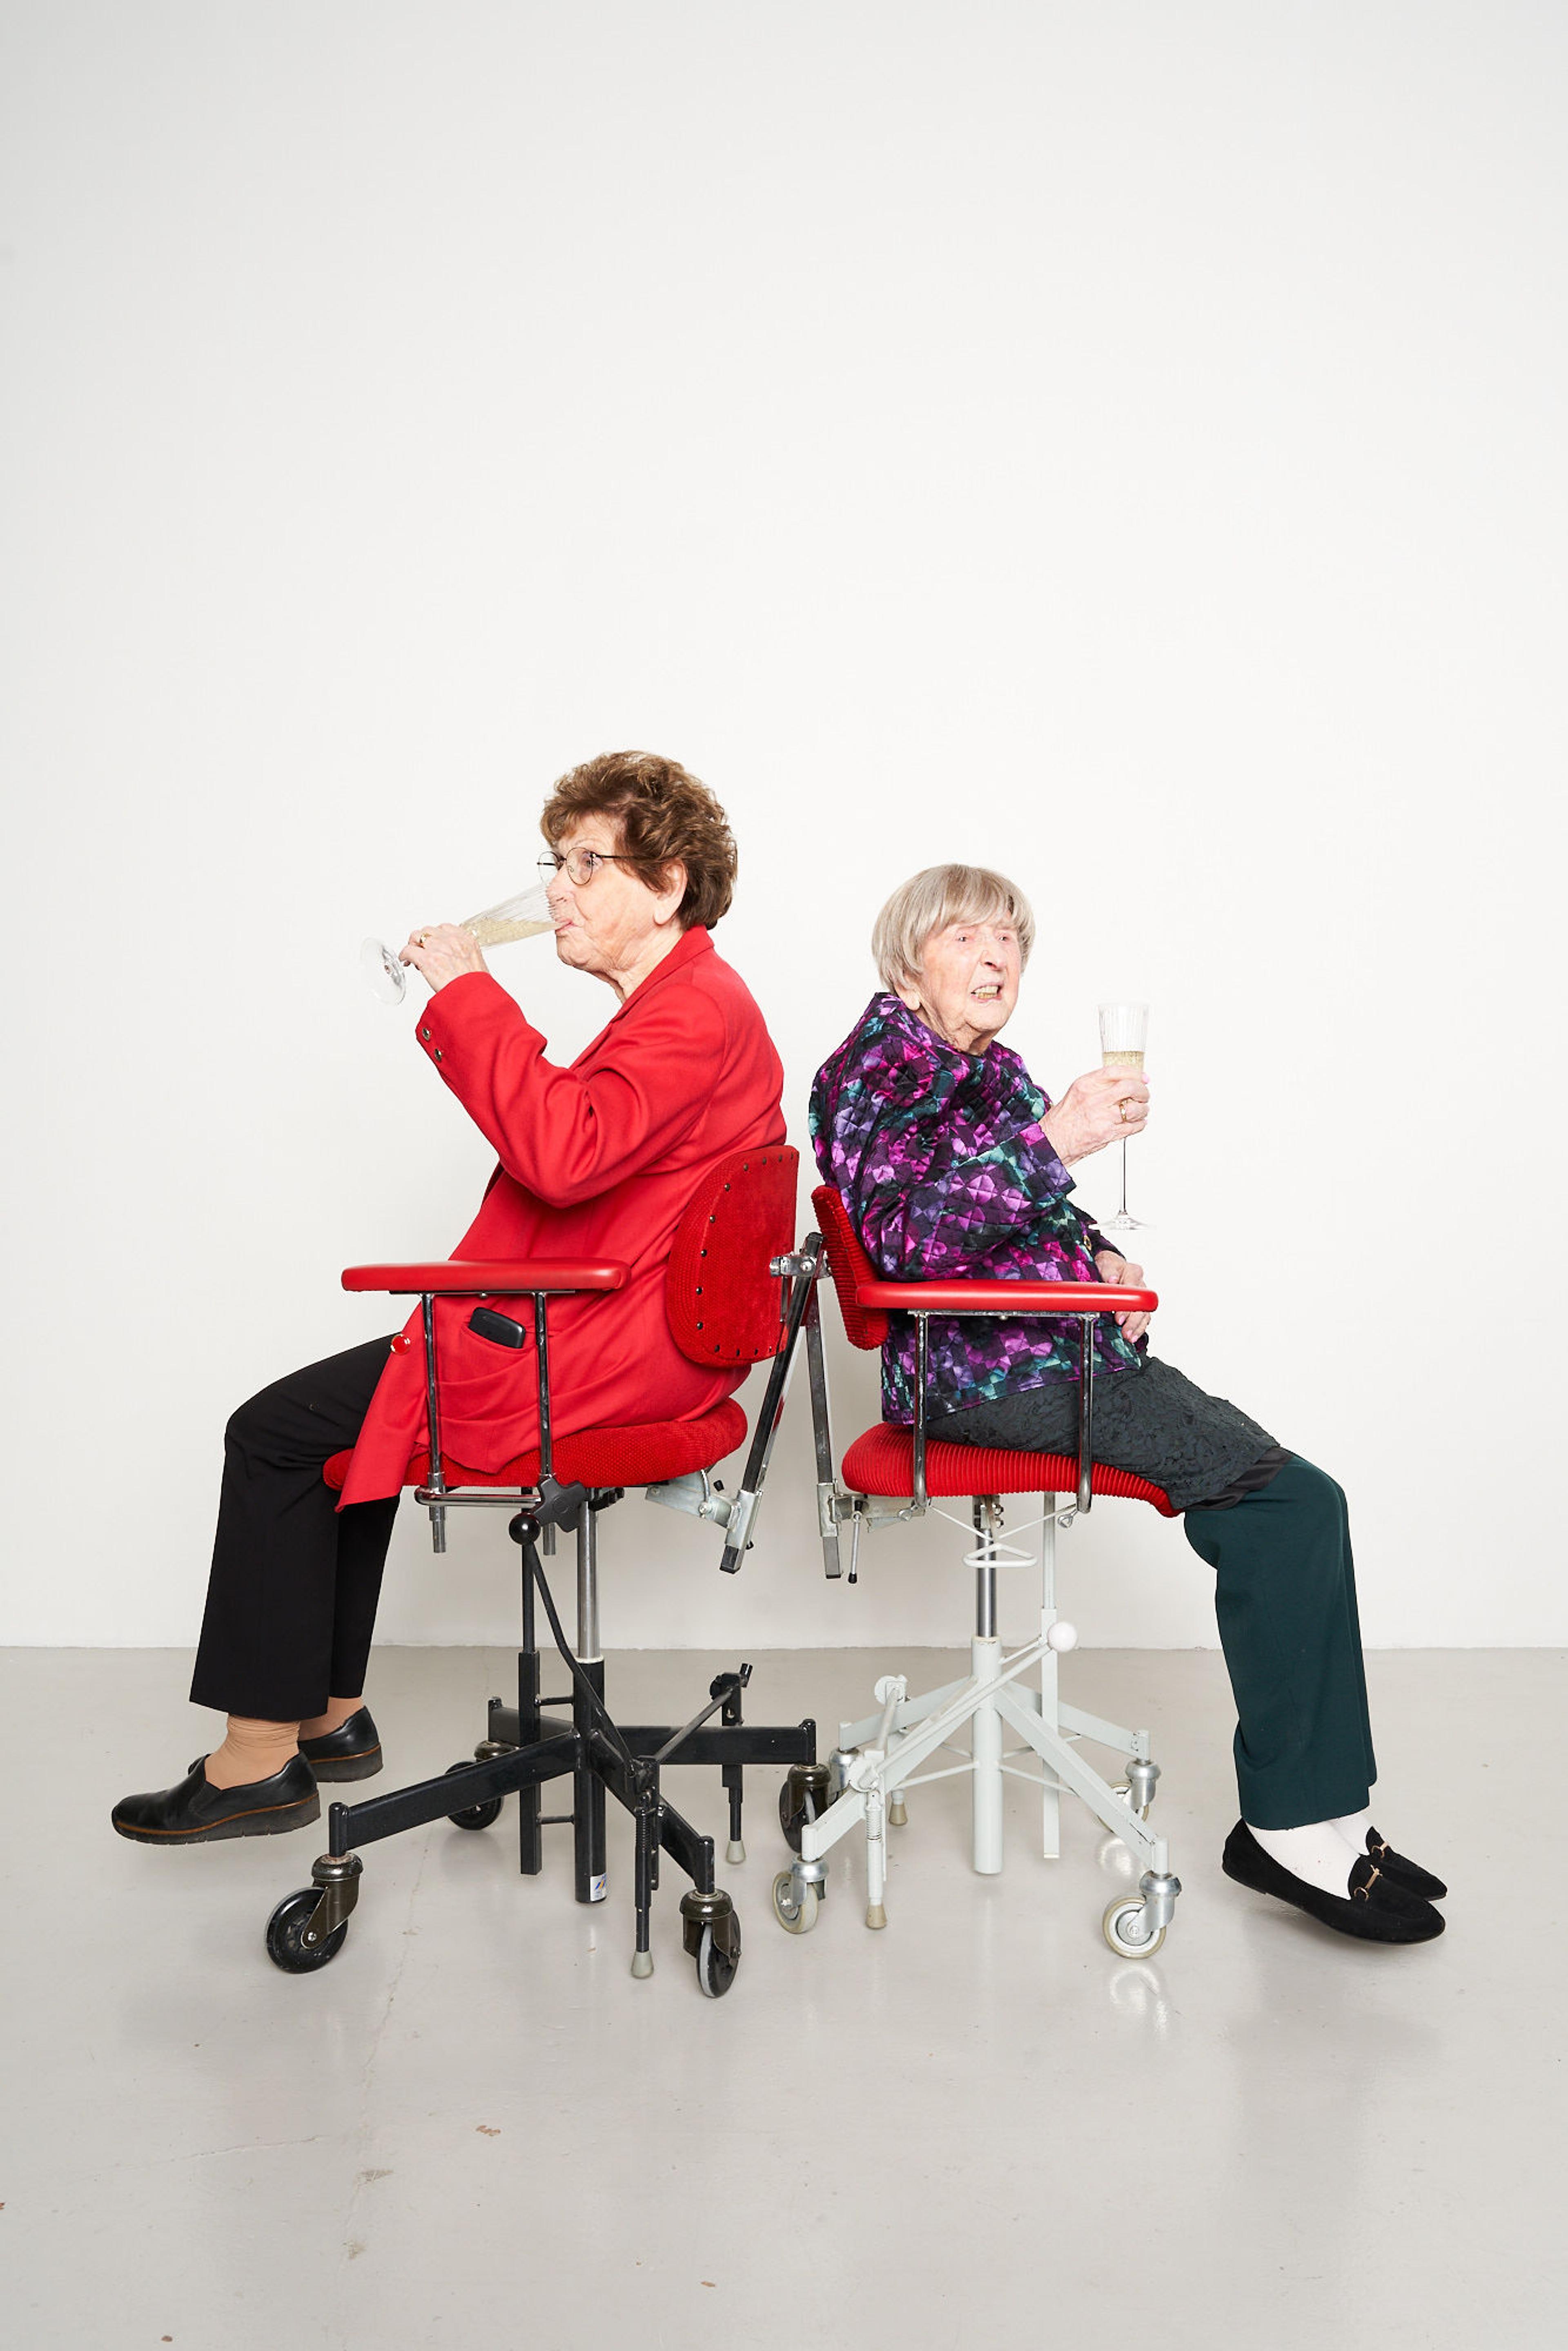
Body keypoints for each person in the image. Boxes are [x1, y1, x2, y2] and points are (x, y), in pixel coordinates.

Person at [114, 753, 785, 1845]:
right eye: (555, 862)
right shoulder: (689, 1002)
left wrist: (469, 989)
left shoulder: (693, 1012)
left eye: (588, 864)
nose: (560, 887)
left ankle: (255, 1765)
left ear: (668, 885)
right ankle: (325, 1722)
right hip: (615, 1332)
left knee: (276, 1435)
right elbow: (592, 1150)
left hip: (599, 1350)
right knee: (357, 1420)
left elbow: (563, 1154)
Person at [809, 863, 1447, 1945]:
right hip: (989, 1382)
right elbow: (900, 1245)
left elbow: (1020, 1221)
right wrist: (1056, 1142)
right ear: (907, 961)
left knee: (1308, 1503)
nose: (996, 956)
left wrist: (1097, 1258)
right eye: (966, 937)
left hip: (1070, 1352)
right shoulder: (871, 1073)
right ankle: (1288, 1830)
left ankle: (1331, 1819)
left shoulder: (998, 1071)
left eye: (1011, 939)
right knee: (1289, 1512)